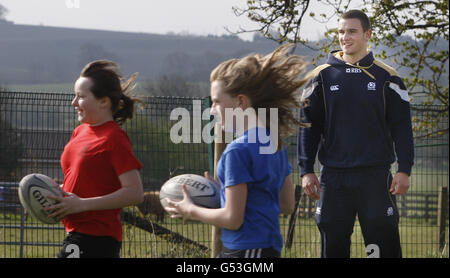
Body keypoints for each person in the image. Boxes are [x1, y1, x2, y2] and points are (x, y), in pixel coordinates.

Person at [164, 44, 309, 258]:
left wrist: (190, 210)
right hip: (268, 250)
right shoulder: (274, 142)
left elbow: (233, 219)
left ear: (240, 102)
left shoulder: (237, 151)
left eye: (216, 102)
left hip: (244, 251)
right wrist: (225, 191)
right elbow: (286, 204)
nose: (212, 110)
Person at [298, 9, 414, 258]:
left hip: (375, 177)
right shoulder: (321, 77)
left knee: (380, 247)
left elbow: (402, 127)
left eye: (351, 31)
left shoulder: (388, 77)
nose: (344, 37)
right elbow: (309, 127)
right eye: (341, 32)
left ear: (367, 34)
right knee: (334, 247)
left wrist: (405, 169)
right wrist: (306, 170)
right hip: (334, 177)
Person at [46, 60, 144, 258]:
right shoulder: (79, 132)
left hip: (97, 240)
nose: (74, 103)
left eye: (81, 97)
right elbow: (85, 182)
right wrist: (57, 195)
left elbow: (135, 193)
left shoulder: (114, 138)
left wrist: (81, 204)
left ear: (104, 101)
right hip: (77, 235)